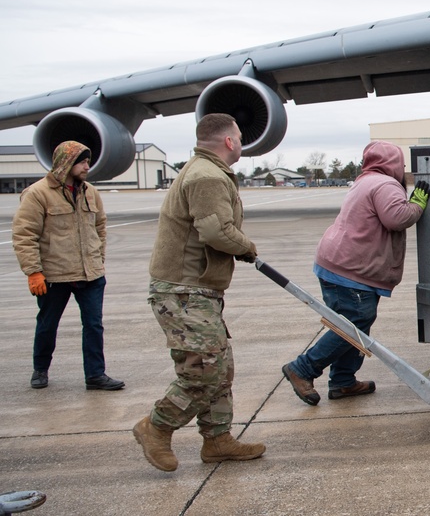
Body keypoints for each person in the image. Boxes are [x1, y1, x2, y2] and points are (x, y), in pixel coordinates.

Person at [132, 113, 264, 473]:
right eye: (239, 136)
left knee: (221, 369)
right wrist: (247, 247)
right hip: (183, 292)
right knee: (204, 371)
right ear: (228, 141)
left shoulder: (206, 171)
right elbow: (216, 231)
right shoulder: (206, 176)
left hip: (197, 289)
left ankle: (217, 439)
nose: (240, 142)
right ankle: (156, 427)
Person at [281, 140, 430, 405]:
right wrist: (418, 202)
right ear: (391, 164)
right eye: (401, 164)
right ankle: (303, 368)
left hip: (338, 265)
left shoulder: (365, 180)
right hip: (350, 270)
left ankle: (343, 381)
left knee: (351, 323)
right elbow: (397, 217)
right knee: (354, 325)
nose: (403, 169)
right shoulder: (384, 184)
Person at [12, 141, 124, 392]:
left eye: (88, 161)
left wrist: (98, 258)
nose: (87, 166)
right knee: (48, 324)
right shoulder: (37, 193)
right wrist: (33, 271)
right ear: (66, 163)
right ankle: (40, 369)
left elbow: (100, 227)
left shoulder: (90, 191)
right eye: (83, 161)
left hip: (91, 274)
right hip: (54, 275)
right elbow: (24, 234)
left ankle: (95, 375)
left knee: (94, 325)